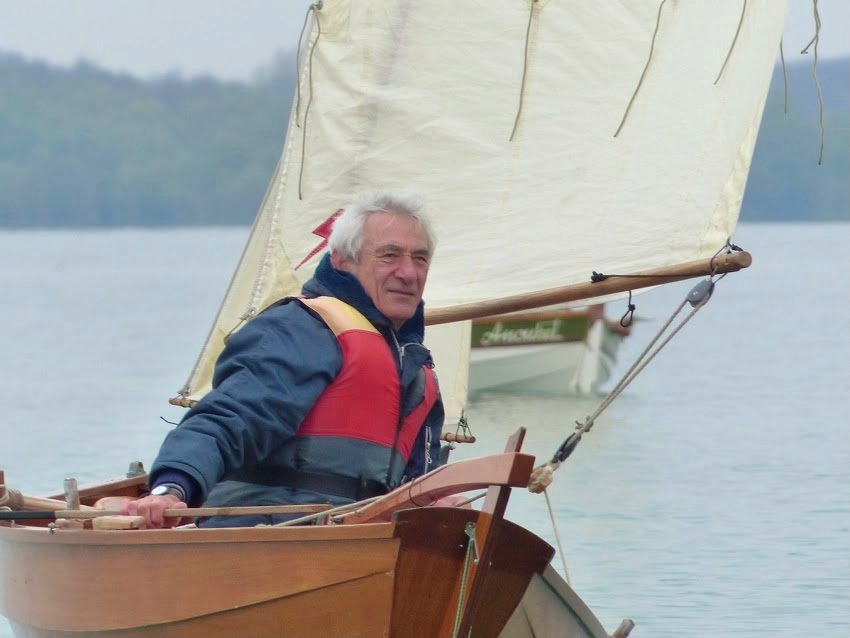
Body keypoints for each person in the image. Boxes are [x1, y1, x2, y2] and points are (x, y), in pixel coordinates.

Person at [123, 191, 444, 528]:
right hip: (266, 541)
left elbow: (416, 484)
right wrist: (173, 486)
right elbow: (232, 416)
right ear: (341, 260)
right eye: (389, 255)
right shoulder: (302, 330)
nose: (408, 273)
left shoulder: (413, 367)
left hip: (355, 547)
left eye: (420, 258)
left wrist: (439, 498)